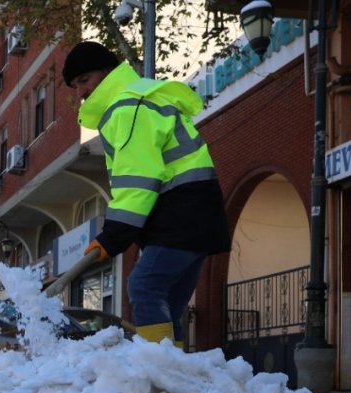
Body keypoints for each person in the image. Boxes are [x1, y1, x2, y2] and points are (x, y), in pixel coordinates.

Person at [62, 41, 230, 346]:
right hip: (193, 212)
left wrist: (113, 236)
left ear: (108, 72)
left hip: (182, 211)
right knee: (168, 302)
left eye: (84, 81)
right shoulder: (136, 100)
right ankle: (173, 375)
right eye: (75, 86)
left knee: (144, 286)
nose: (80, 92)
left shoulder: (127, 107)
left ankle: (159, 372)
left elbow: (138, 178)